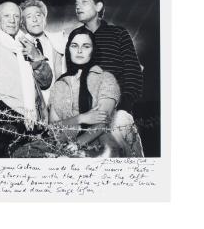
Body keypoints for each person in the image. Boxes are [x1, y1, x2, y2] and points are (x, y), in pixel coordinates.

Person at [0, 2, 53, 157]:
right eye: (6, 16)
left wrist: (36, 57)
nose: (12, 20)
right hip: (1, 122)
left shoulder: (26, 43)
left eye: (16, 16)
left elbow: (46, 82)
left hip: (31, 121)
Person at [48, 29, 144, 157]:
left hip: (98, 145)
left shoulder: (105, 78)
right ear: (68, 49)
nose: (79, 51)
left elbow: (102, 122)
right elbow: (52, 129)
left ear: (93, 51)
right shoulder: (59, 85)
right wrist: (81, 118)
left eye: (86, 46)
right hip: (65, 146)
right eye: (74, 45)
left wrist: (76, 144)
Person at [73, 0, 143, 115]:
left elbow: (133, 72)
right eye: (76, 3)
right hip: (82, 112)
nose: (78, 6)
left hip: (117, 109)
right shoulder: (75, 36)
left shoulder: (119, 33)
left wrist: (123, 106)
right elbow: (71, 72)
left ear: (98, 6)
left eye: (84, 2)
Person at [19, 0, 65, 105]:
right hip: (31, 103)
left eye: (38, 15)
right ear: (23, 23)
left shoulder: (59, 42)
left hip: (57, 102)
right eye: (29, 17)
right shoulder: (18, 45)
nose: (35, 19)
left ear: (44, 18)